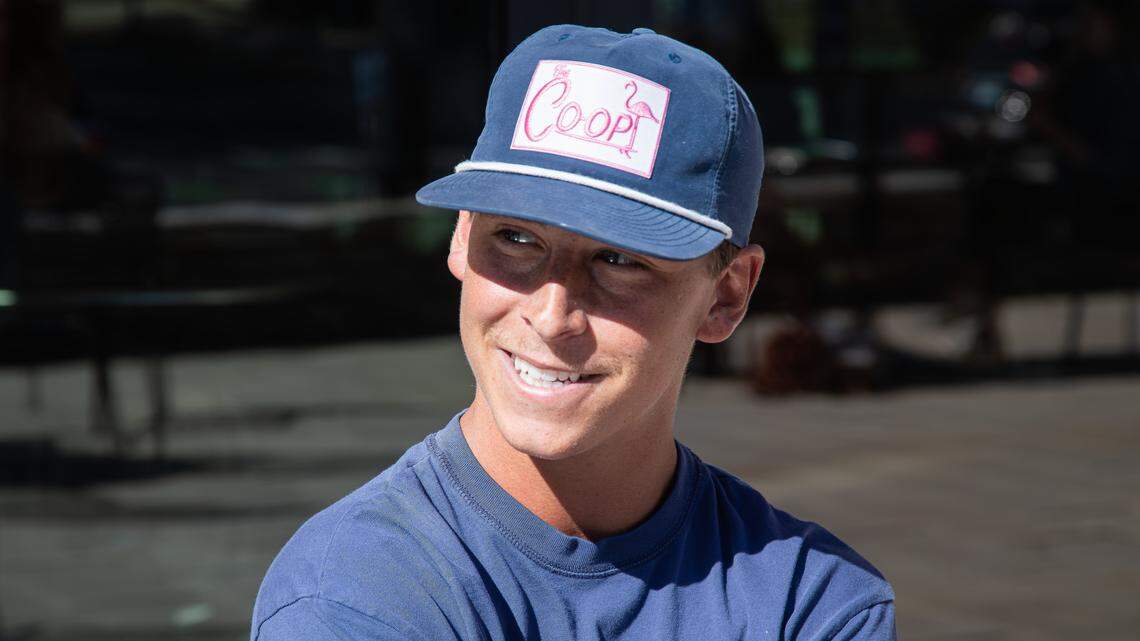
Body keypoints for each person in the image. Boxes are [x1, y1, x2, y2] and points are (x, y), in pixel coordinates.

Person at [251, 25, 895, 640]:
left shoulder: (813, 600)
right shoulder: (357, 597)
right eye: (516, 239)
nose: (552, 314)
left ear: (727, 295)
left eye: (620, 261)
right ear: (461, 238)